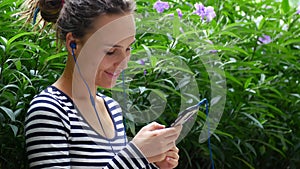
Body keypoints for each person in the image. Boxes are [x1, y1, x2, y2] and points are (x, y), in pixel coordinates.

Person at [23, 0, 182, 168]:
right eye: (111, 51)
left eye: (128, 48)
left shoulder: (111, 108)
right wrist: (136, 155)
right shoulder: (49, 110)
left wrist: (153, 163)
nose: (123, 63)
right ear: (73, 44)